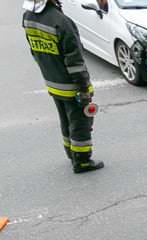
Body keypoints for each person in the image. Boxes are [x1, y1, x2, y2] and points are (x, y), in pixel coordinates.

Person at [22, 0, 104, 173]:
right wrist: (83, 87)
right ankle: (82, 161)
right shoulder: (61, 21)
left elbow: (34, 51)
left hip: (52, 82)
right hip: (71, 85)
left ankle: (70, 152)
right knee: (80, 122)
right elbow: (75, 61)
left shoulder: (28, 17)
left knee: (65, 120)